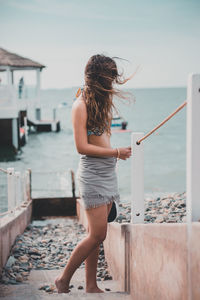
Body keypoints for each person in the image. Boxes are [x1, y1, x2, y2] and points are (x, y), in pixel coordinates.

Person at [55, 54, 132, 293]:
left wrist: (114, 154)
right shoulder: (80, 105)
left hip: (107, 173)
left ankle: (90, 284)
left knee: (95, 235)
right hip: (93, 174)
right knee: (98, 234)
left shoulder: (101, 102)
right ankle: (63, 279)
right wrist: (116, 152)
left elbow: (100, 138)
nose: (112, 82)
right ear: (99, 77)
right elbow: (81, 147)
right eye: (109, 77)